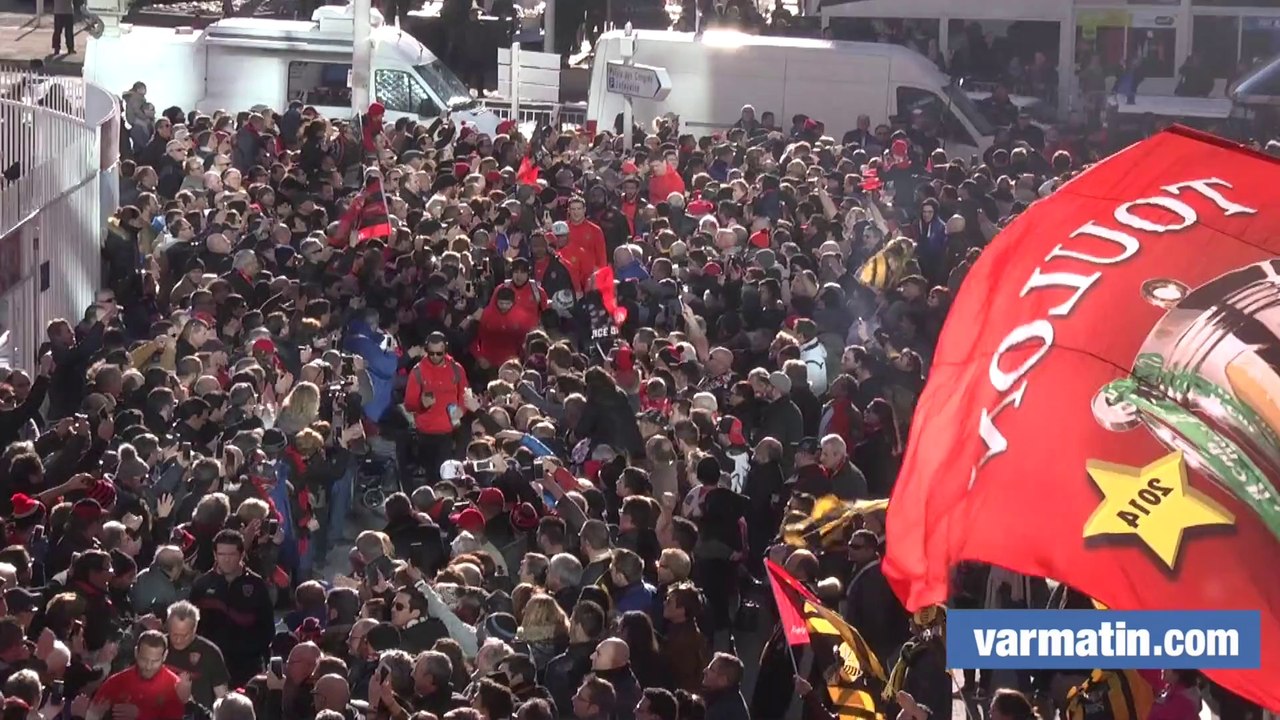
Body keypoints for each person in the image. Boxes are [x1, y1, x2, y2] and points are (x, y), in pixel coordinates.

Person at [88, 630, 187, 720]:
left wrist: (141, 716)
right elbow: (91, 715)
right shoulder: (116, 682)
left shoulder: (176, 687)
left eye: (155, 661)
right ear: (136, 653)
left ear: (164, 656)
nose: (148, 666)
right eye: (144, 659)